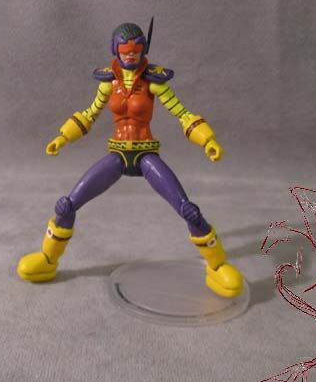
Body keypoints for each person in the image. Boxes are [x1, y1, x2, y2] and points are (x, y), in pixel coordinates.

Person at [17, 21, 244, 298]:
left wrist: (208, 140)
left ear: (144, 49)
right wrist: (62, 137)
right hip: (118, 155)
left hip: (146, 154)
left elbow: (182, 114)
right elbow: (89, 114)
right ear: (115, 50)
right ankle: (48, 259)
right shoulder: (108, 83)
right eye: (125, 51)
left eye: (136, 51)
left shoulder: (154, 82)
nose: (131, 56)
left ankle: (217, 266)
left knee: (188, 210)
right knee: (67, 205)